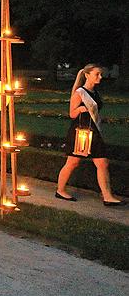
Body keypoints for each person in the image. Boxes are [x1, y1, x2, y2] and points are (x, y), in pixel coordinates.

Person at [55, 64, 125, 206]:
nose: (100, 77)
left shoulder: (94, 92)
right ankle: (60, 190)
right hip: (80, 132)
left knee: (102, 162)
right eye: (97, 74)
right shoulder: (80, 92)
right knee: (72, 162)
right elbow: (71, 114)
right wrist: (80, 109)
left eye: (100, 74)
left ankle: (107, 196)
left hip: (94, 131)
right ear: (87, 75)